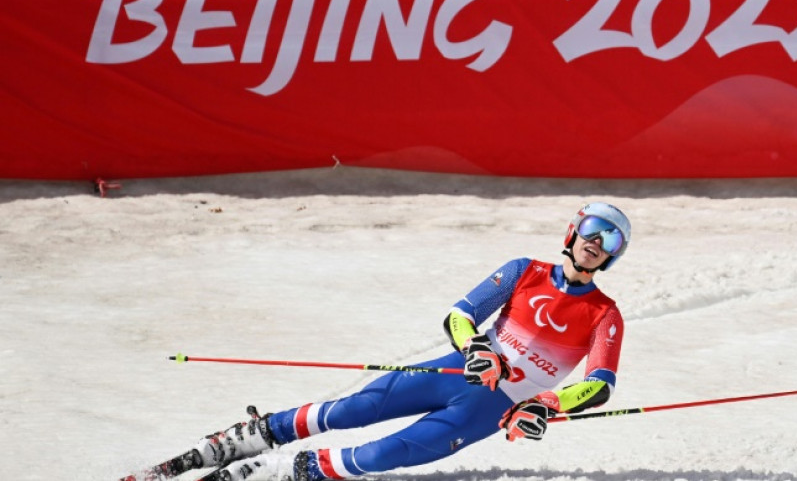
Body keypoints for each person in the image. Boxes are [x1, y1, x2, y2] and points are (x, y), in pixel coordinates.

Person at [179, 202, 630, 481]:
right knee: (353, 409)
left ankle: (278, 472)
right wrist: (476, 349)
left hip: (494, 407)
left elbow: (599, 385)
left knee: (382, 454)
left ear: (612, 256)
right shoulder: (523, 271)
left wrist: (544, 404)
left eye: (611, 239)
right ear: (573, 231)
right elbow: (460, 316)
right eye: (593, 228)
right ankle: (255, 436)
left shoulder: (605, 314)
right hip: (456, 372)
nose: (597, 241)